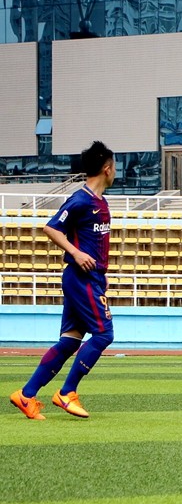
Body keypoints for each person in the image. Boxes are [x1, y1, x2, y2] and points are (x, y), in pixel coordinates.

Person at [10, 141, 116, 419]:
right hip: (82, 278)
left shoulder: (100, 202)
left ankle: (26, 395)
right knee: (104, 334)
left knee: (70, 341)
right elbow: (51, 228)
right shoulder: (80, 200)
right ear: (107, 169)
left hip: (91, 277)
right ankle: (67, 392)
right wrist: (76, 253)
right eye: (114, 166)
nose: (115, 171)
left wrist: (101, 272)